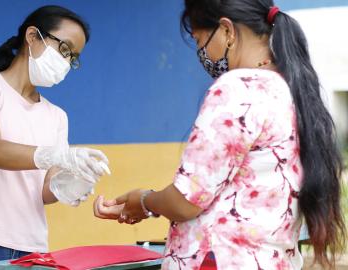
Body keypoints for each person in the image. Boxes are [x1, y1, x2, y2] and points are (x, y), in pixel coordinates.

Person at [94, 0, 346, 269]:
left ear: (227, 30)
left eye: (200, 39)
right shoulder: (291, 90)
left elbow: (187, 200)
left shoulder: (236, 89)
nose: (203, 52)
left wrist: (143, 200)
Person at [0, 5, 109, 270]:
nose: (66, 62)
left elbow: (43, 190)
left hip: (30, 250)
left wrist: (70, 183)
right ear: (32, 36)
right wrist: (57, 155)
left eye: (73, 58)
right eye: (64, 49)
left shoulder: (57, 116)